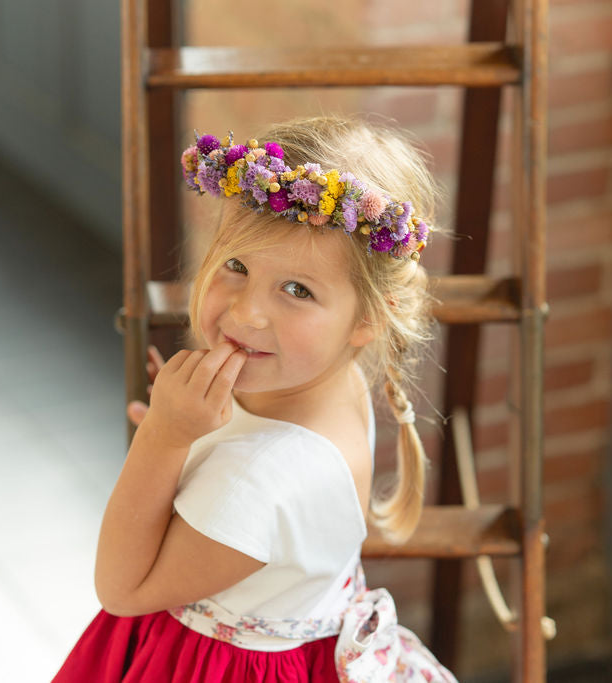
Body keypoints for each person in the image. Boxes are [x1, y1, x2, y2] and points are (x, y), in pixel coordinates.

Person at [52, 116, 457, 682]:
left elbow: (122, 588)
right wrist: (196, 446)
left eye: (298, 290)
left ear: (368, 317)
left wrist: (164, 438)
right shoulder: (331, 381)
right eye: (236, 267)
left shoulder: (259, 480)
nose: (246, 313)